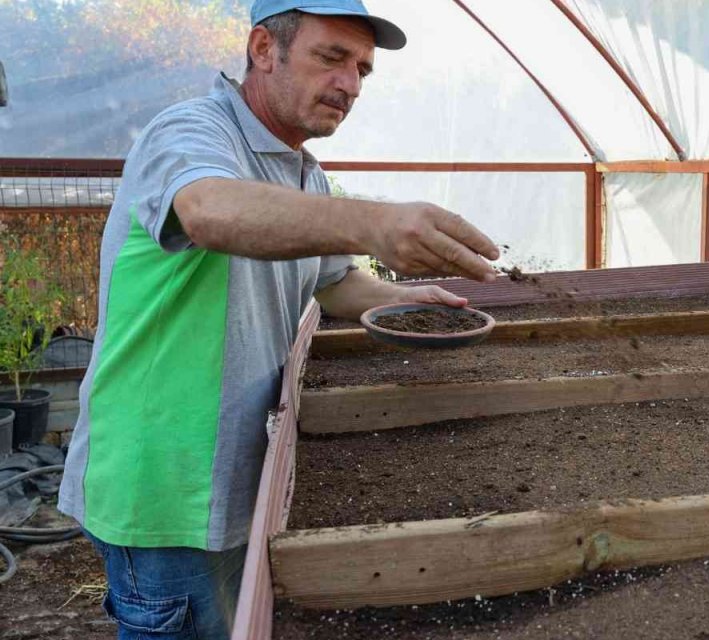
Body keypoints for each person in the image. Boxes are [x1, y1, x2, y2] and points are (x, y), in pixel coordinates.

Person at [57, 2, 499, 637]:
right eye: (331, 58)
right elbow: (208, 210)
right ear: (264, 49)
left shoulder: (303, 172)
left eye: (363, 71)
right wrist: (374, 220)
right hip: (165, 494)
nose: (349, 84)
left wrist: (411, 303)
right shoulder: (190, 132)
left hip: (242, 475)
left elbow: (335, 280)